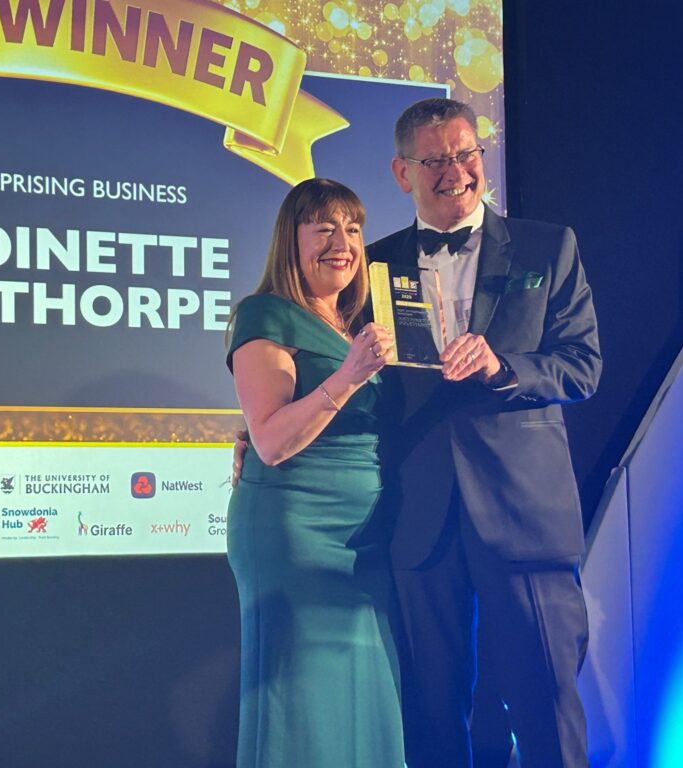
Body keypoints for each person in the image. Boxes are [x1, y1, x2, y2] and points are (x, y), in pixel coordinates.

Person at [370, 97, 602, 767]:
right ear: (401, 171)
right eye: (434, 159)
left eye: (466, 154)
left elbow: (583, 366)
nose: (455, 171)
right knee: (433, 713)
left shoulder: (546, 246)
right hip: (422, 520)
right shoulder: (375, 265)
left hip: (523, 515)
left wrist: (504, 367)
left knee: (545, 705)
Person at [225, 178, 405, 767]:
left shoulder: (357, 326)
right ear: (290, 238)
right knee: (301, 703)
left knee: (365, 696)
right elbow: (272, 440)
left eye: (352, 228)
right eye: (323, 227)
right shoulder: (266, 313)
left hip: (366, 539)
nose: (342, 242)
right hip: (297, 531)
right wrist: (350, 374)